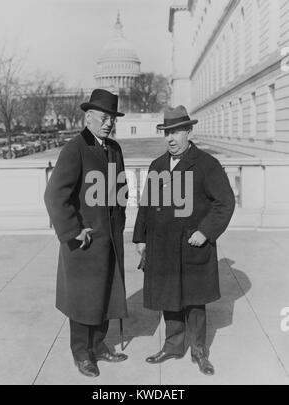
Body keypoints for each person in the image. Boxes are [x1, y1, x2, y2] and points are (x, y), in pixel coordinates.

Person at [133, 105, 235, 376]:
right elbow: (146, 205)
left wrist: (206, 231)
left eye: (177, 131)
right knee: (169, 298)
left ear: (189, 131)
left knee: (194, 301)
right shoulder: (157, 165)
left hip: (191, 245)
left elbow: (225, 203)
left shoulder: (206, 164)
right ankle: (172, 345)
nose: (171, 138)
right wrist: (140, 238)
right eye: (167, 132)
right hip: (162, 246)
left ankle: (199, 350)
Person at [44, 89, 128, 378]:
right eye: (104, 118)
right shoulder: (74, 148)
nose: (108, 124)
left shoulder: (114, 149)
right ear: (88, 117)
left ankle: (99, 344)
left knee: (105, 295)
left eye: (112, 119)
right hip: (84, 242)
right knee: (82, 301)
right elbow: (55, 196)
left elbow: (121, 190)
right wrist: (73, 231)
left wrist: (120, 221)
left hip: (109, 240)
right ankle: (82, 354)